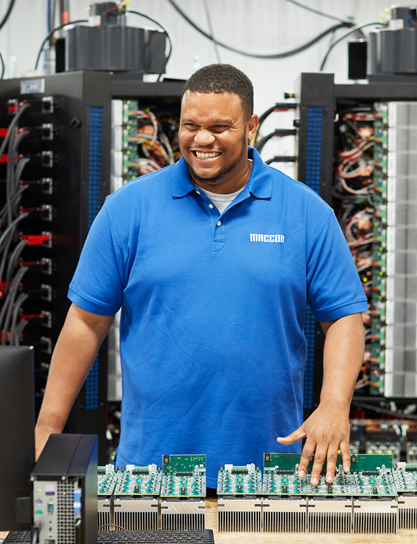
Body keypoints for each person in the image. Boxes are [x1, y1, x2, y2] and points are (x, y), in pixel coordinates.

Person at [34, 63, 367, 489]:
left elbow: (343, 318)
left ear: (251, 127)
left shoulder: (306, 213)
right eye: (190, 125)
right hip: (152, 472)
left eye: (219, 127)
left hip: (270, 472)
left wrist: (335, 404)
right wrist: (48, 427)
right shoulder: (128, 209)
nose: (202, 140)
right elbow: (85, 322)